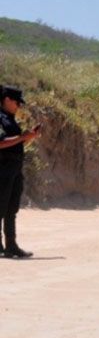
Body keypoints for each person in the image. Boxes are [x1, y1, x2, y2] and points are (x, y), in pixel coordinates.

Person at [0, 86, 41, 258]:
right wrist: (23, 137)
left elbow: (13, 144)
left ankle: (11, 245)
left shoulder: (9, 118)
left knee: (11, 208)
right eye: (17, 102)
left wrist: (27, 137)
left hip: (14, 170)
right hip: (3, 170)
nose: (19, 106)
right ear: (7, 100)